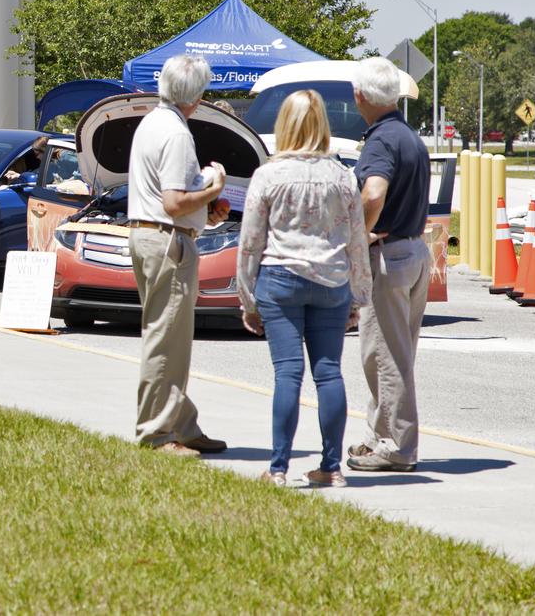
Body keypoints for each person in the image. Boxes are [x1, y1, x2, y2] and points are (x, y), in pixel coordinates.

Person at [237, 90, 371, 487]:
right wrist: (359, 294)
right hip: (331, 281)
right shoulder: (342, 176)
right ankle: (331, 468)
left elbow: (251, 241)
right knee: (329, 373)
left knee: (288, 374)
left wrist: (247, 296)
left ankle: (278, 467)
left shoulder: (269, 175)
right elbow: (357, 241)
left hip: (280, 278)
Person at [128, 55, 230, 457]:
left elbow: (169, 197)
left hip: (152, 237)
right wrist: (213, 185)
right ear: (197, 95)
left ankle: (182, 425)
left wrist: (206, 207)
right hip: (169, 241)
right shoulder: (176, 133)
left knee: (171, 338)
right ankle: (156, 434)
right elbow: (173, 202)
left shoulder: (152, 122)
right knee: (166, 340)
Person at [347, 57, 431, 473]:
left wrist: (358, 237)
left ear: (360, 96)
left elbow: (373, 192)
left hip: (390, 256)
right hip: (414, 252)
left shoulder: (380, 141)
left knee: (385, 356)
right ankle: (378, 434)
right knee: (392, 353)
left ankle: (398, 446)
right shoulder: (409, 136)